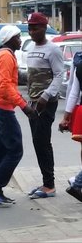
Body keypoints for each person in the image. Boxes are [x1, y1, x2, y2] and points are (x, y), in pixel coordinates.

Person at [0, 25, 35, 206]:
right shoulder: (6, 56)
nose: (20, 40)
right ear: (9, 39)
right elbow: (6, 86)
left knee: (3, 152)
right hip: (1, 111)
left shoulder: (2, 54)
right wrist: (24, 106)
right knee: (15, 151)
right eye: (18, 37)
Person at [26, 12, 64, 199]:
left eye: (35, 28)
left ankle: (50, 185)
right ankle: (45, 181)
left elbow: (59, 75)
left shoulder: (53, 50)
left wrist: (45, 97)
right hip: (33, 102)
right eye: (30, 28)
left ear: (44, 28)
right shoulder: (31, 48)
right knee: (37, 142)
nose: (32, 31)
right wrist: (29, 101)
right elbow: (32, 78)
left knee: (43, 142)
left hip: (46, 104)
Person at [59, 58, 82, 201]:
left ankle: (77, 182)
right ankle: (76, 183)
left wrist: (66, 117)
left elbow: (73, 92)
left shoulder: (80, 65)